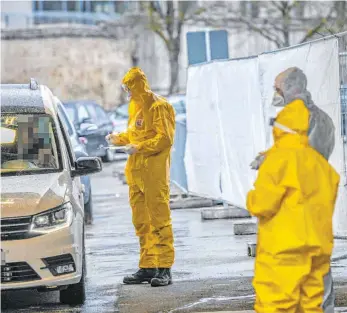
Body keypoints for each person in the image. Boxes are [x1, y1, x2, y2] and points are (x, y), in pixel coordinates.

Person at [250, 67, 337, 313]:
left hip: (305, 206)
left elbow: (306, 160)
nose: (276, 94)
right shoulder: (296, 118)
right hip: (298, 207)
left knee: (314, 271)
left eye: (279, 88)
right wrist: (268, 158)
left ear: (293, 88)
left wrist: (274, 167)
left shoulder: (315, 120)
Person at [107, 67, 176, 287]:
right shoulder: (136, 108)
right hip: (136, 174)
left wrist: (138, 148)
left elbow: (164, 139)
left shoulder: (159, 106)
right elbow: (135, 135)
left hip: (153, 175)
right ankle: (148, 267)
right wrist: (118, 139)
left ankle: (164, 268)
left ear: (137, 85)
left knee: (159, 221)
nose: (126, 91)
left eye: (128, 87)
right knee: (142, 223)